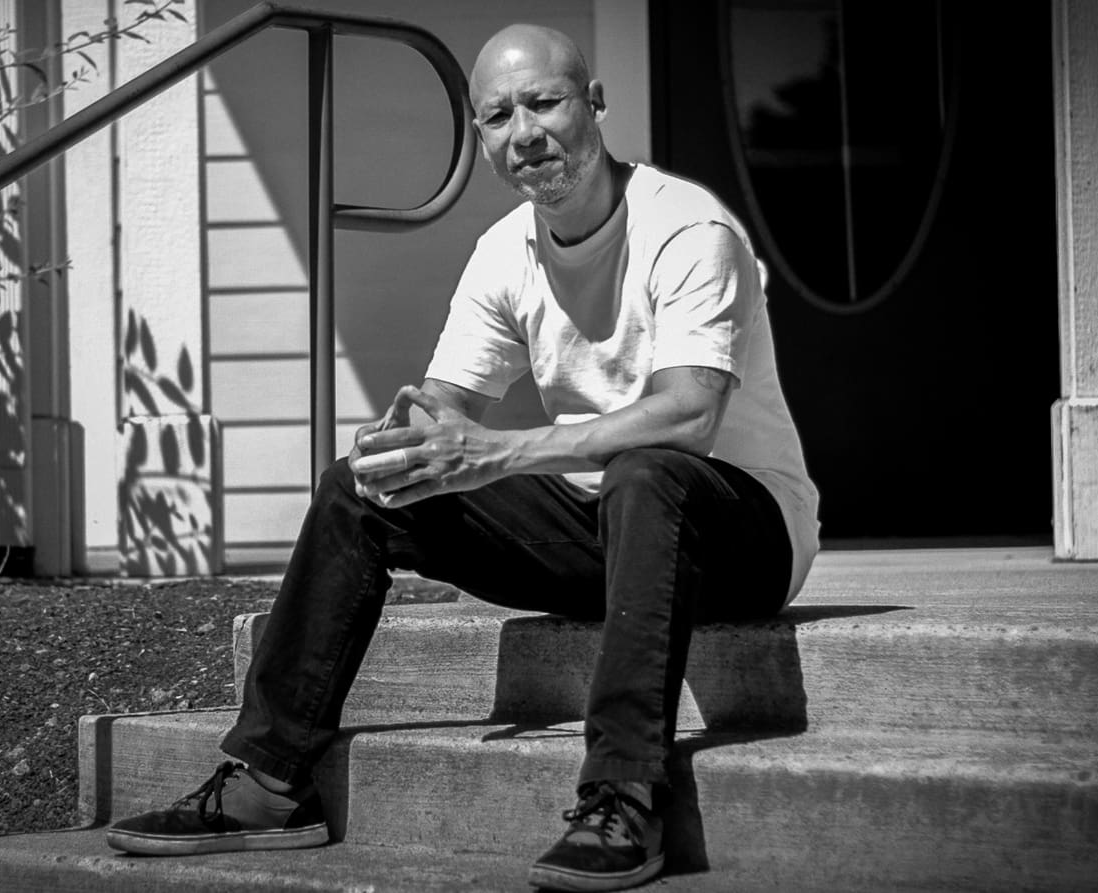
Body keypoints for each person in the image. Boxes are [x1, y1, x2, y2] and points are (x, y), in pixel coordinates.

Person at [104, 22, 819, 893]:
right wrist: (406, 442)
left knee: (646, 471)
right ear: (482, 137)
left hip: (743, 535)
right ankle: (267, 781)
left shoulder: (686, 227)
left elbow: (690, 415)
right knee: (361, 490)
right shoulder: (503, 252)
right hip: (611, 530)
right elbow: (449, 409)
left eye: (546, 103)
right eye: (498, 116)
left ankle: (622, 793)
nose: (526, 133)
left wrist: (499, 452)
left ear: (594, 105)